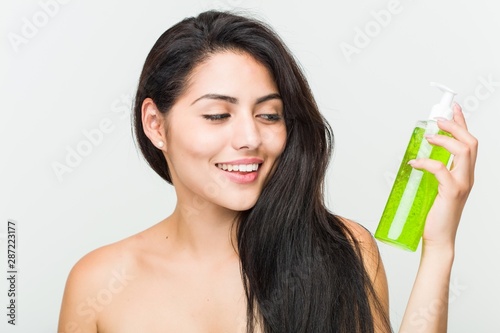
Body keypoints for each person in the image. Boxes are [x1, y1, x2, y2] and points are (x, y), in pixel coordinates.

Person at [58, 10, 478, 333]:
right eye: (218, 114)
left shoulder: (343, 251)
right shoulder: (98, 282)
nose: (250, 138)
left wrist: (439, 249)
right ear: (155, 124)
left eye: (269, 115)